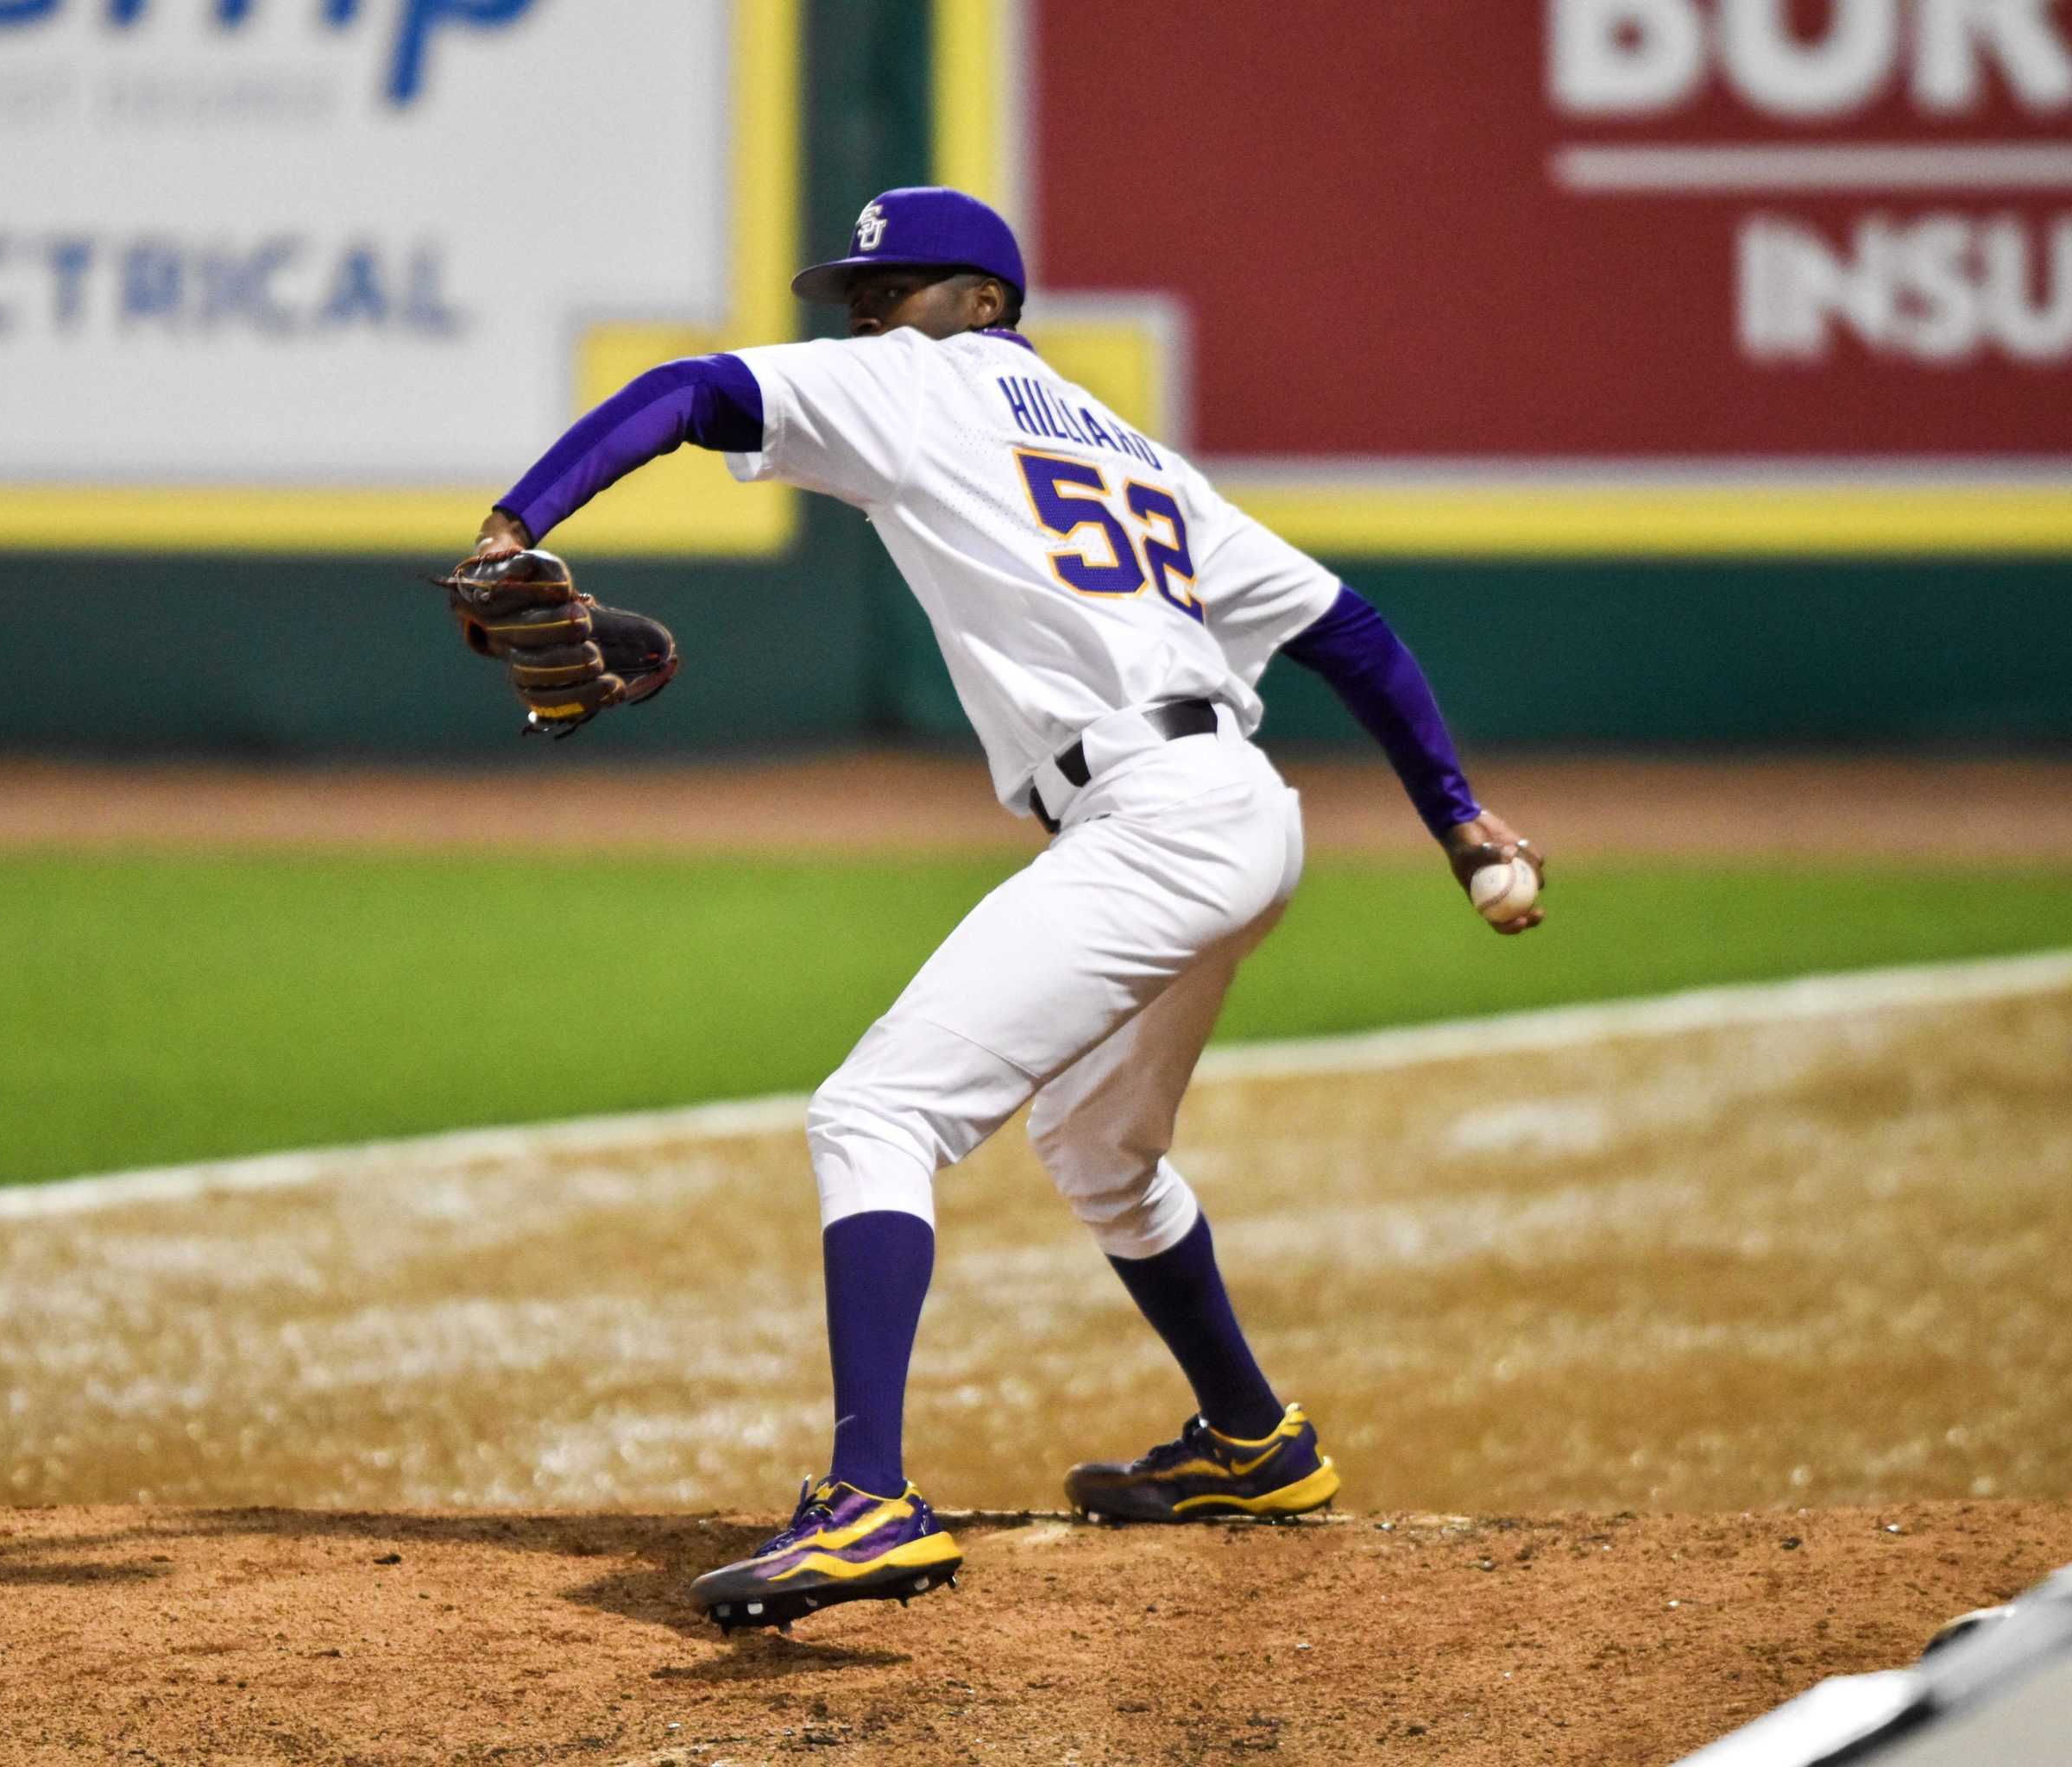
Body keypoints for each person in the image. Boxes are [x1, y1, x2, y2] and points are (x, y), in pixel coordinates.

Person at [468, 187, 1545, 1633]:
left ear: (985, 301)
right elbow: (1350, 632)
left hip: (1156, 824)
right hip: (1237, 810)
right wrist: (1458, 819)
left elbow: (681, 391)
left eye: (895, 282)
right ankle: (1253, 1441)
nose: (865, 310)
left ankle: (868, 1506)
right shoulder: (1135, 456)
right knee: (1098, 1145)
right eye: (857, 291)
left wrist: (510, 527)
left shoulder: (921, 382)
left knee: (876, 1117)